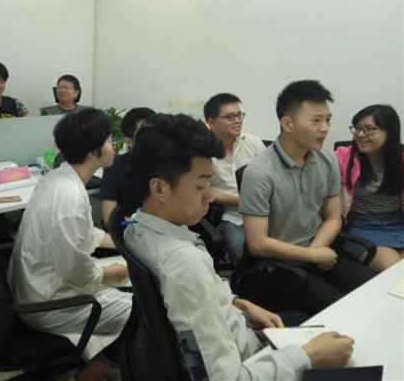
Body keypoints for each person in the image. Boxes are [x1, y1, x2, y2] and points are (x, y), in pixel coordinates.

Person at [124, 113, 355, 381]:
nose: (210, 196)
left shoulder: (137, 225)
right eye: (200, 185)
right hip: (250, 361)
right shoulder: (183, 263)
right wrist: (308, 357)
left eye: (210, 182)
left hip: (240, 331)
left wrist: (239, 303)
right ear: (159, 189)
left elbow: (199, 295)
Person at [8, 108, 132, 381]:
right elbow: (76, 272)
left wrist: (124, 244)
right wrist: (111, 272)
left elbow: (82, 234)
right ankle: (89, 375)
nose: (114, 146)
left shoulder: (58, 178)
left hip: (40, 285)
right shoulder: (70, 198)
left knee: (130, 279)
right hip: (50, 304)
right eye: (109, 141)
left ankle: (102, 358)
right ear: (92, 152)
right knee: (144, 310)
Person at [239, 80, 374, 315]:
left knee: (374, 291)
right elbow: (257, 243)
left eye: (328, 119)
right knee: (344, 312)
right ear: (287, 123)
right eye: (316, 120)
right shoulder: (260, 172)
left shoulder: (326, 159)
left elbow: (333, 217)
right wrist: (312, 255)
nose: (325, 128)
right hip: (278, 264)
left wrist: (316, 252)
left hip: (318, 248)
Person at [335, 104, 404, 272]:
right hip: (362, 227)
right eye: (357, 129)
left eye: (369, 129)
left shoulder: (400, 158)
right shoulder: (343, 157)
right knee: (397, 270)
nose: (360, 135)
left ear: (390, 131)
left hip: (398, 223)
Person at [204, 93, 266, 261]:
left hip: (264, 212)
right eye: (230, 117)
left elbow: (271, 178)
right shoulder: (202, 151)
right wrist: (241, 201)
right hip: (230, 215)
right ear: (211, 122)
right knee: (241, 254)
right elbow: (205, 191)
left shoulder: (253, 143)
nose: (237, 120)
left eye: (239, 115)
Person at [100, 107, 155, 230]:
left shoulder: (167, 164)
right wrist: (135, 224)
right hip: (128, 235)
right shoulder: (114, 166)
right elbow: (109, 220)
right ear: (129, 142)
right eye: (145, 134)